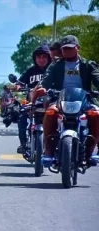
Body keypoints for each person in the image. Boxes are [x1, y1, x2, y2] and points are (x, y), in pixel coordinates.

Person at [33, 35, 99, 167]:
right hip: (60, 100)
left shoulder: (88, 65)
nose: (67, 51)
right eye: (64, 49)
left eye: (70, 48)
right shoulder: (55, 66)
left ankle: (91, 151)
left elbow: (97, 78)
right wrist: (41, 88)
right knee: (50, 113)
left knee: (96, 114)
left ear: (77, 48)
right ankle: (49, 151)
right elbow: (46, 80)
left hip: (84, 100)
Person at [13, 44, 52, 154]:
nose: (41, 59)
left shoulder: (52, 70)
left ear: (49, 57)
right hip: (32, 103)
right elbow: (20, 82)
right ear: (35, 59)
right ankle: (24, 143)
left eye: (44, 57)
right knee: (22, 117)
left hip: (49, 102)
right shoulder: (30, 71)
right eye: (39, 57)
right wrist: (18, 86)